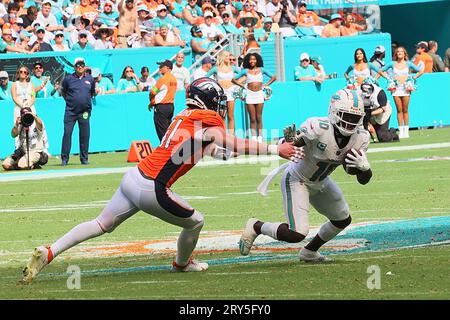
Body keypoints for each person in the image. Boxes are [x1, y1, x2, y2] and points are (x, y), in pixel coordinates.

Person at [21, 77, 303, 284]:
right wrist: (272, 149)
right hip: (152, 186)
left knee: (100, 224)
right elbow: (226, 141)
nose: (219, 106)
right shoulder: (207, 119)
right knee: (196, 221)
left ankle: (49, 251)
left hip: (134, 177)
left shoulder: (183, 115)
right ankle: (181, 265)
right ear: (208, 101)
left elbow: (209, 147)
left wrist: (226, 154)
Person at [239, 88, 373, 263]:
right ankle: (257, 226)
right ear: (333, 112)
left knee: (342, 219)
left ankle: (309, 252)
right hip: (297, 179)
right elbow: (292, 143)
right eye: (346, 116)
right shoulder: (319, 127)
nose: (350, 122)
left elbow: (360, 179)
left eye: (354, 118)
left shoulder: (361, 138)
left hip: (321, 181)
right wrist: (290, 141)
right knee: (297, 233)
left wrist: (365, 170)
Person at [232, 52, 276, 142]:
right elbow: (233, 79)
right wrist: (242, 86)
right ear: (248, 61)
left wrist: (266, 85)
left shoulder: (262, 70)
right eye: (250, 59)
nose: (252, 61)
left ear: (257, 60)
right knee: (252, 118)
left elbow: (274, 77)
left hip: (259, 94)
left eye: (254, 59)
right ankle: (253, 138)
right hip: (250, 95)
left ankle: (260, 138)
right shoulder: (245, 71)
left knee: (259, 117)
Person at [60, 57, 96, 166]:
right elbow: (63, 92)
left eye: (82, 65)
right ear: (74, 66)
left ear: (85, 66)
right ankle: (65, 159)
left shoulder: (90, 79)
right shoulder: (68, 79)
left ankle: (84, 158)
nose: (80, 67)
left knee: (84, 135)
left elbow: (92, 92)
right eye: (78, 65)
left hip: (84, 112)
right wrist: (71, 102)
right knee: (67, 134)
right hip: (70, 112)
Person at [380, 46, 423, 139]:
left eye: (401, 51)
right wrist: (389, 78)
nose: (399, 53)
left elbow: (420, 71)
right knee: (399, 110)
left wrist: (412, 78)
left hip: (406, 88)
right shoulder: (392, 63)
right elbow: (381, 71)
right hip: (396, 89)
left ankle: (406, 131)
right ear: (396, 54)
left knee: (405, 109)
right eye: (398, 51)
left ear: (404, 54)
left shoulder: (408, 63)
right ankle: (401, 131)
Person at [206, 50, 239, 134]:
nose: (229, 58)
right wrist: (215, 84)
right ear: (222, 57)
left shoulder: (233, 68)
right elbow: (206, 78)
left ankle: (231, 136)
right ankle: (223, 136)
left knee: (231, 116)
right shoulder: (216, 69)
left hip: (231, 93)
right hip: (221, 93)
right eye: (227, 56)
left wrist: (236, 83)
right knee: (222, 116)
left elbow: (245, 75)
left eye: (229, 56)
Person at [149, 59, 178, 141]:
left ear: (168, 68)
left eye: (162, 66)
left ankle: (166, 151)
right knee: (168, 131)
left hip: (161, 108)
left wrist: (151, 101)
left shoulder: (163, 79)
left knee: (162, 133)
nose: (159, 68)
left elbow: (152, 92)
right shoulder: (174, 79)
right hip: (170, 107)